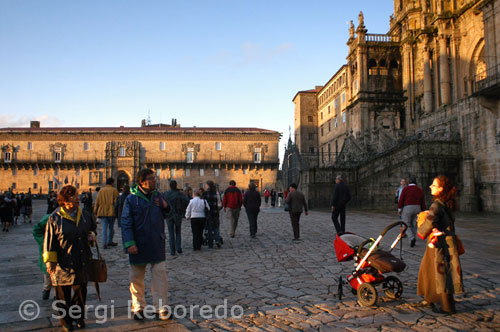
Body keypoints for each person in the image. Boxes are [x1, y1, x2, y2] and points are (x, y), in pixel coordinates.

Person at [43, 185, 97, 331]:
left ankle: (78, 317)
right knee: (62, 294)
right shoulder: (54, 218)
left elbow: (92, 229)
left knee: (80, 292)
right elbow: (50, 241)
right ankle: (66, 320)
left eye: (77, 195)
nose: (78, 198)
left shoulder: (85, 215)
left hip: (81, 259)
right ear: (66, 200)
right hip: (63, 261)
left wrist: (92, 236)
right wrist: (50, 261)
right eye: (74, 196)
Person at [121, 169, 171, 321]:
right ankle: (138, 307)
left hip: (156, 241)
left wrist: (165, 206)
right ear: (142, 182)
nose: (154, 181)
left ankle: (160, 307)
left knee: (160, 275)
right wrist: (129, 242)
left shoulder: (158, 196)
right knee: (136, 278)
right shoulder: (131, 199)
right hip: (139, 243)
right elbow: (126, 222)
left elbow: (168, 214)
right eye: (151, 178)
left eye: (154, 178)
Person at [417, 175, 463, 314]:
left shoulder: (436, 205)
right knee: (427, 269)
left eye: (434, 185)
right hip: (444, 241)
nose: (431, 187)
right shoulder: (446, 203)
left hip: (440, 244)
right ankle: (429, 298)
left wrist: (421, 229)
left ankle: (447, 307)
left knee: (441, 274)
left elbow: (429, 222)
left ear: (441, 188)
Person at [163, 180, 190, 256]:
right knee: (178, 232)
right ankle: (178, 248)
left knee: (171, 233)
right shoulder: (179, 193)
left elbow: (162, 202)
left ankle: (172, 251)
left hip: (168, 215)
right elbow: (187, 201)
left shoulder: (166, 194)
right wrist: (182, 208)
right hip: (177, 214)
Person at [398, 177, 426, 247]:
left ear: (409, 183)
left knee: (406, 224)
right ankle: (413, 239)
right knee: (414, 224)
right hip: (418, 207)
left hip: (408, 207)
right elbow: (423, 200)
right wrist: (423, 210)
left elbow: (401, 199)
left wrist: (399, 208)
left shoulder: (406, 189)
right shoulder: (419, 190)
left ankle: (411, 238)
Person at [94, 177, 119, 249]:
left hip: (102, 211)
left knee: (104, 228)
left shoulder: (101, 190)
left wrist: (95, 211)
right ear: (112, 183)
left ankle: (104, 242)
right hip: (111, 211)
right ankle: (109, 241)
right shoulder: (114, 190)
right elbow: (116, 202)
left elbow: (97, 201)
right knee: (111, 228)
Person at [33, 214, 52, 300]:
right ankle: (46, 289)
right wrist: (44, 242)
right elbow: (37, 231)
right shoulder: (49, 217)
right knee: (47, 270)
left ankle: (56, 292)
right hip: (48, 249)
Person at [203, 181, 223, 248]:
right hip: (215, 213)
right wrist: (218, 210)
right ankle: (217, 240)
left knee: (209, 228)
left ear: (208, 185)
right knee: (216, 227)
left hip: (208, 213)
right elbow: (220, 204)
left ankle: (210, 243)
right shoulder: (217, 193)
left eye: (205, 185)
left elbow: (203, 204)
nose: (205, 186)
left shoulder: (205, 193)